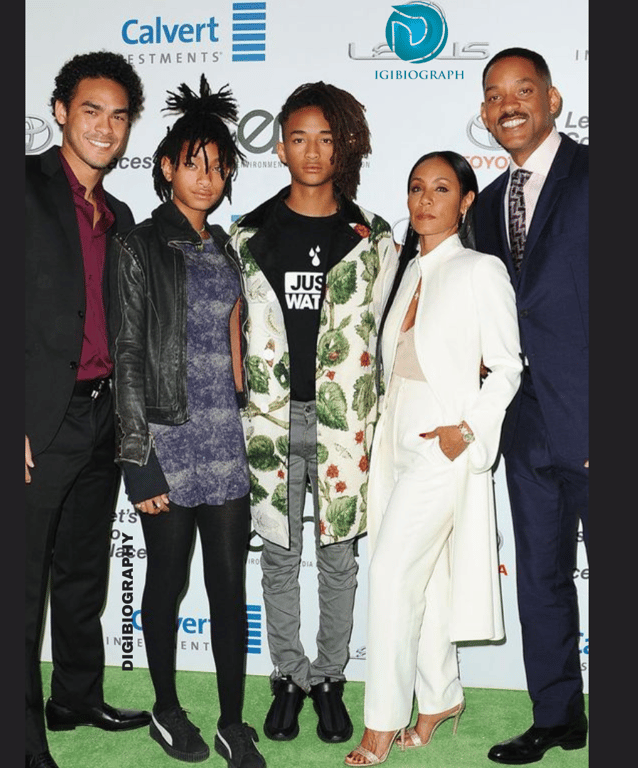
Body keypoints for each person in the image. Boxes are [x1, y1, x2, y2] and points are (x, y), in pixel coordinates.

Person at [229, 82, 396, 746]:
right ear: (280, 146)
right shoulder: (249, 234)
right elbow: (231, 327)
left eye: (327, 137)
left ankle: (330, 679)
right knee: (276, 556)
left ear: (343, 145)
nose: (313, 151)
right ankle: (288, 677)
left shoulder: (371, 236)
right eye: (299, 137)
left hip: (342, 424)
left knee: (337, 558)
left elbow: (389, 332)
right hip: (270, 421)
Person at [107, 75, 265, 768]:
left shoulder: (227, 246)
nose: (207, 175)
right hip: (166, 444)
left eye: (218, 164)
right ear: (166, 168)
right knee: (166, 586)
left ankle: (233, 720)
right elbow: (128, 355)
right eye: (192, 162)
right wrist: (138, 461)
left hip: (224, 441)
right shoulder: (137, 245)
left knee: (230, 587)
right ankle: (168, 709)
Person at [344, 151, 522, 766]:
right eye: (416, 187)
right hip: (392, 440)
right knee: (427, 579)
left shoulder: (480, 269)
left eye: (441, 189)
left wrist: (466, 430)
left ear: (466, 201)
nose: (424, 200)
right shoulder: (402, 266)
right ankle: (440, 696)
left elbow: (506, 367)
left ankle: (381, 724)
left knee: (392, 575)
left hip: (443, 446)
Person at [25, 51, 149, 768]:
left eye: (119, 115)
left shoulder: (118, 213)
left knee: (80, 572)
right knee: (21, 585)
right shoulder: (19, 186)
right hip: (39, 419)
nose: (105, 127)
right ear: (62, 111)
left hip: (102, 417)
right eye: (91, 111)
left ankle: (74, 695)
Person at [474, 47, 589, 764]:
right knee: (541, 578)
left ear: (552, 98)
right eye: (494, 94)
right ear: (485, 113)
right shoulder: (485, 207)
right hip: (525, 425)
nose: (508, 103)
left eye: (523, 89)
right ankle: (558, 717)